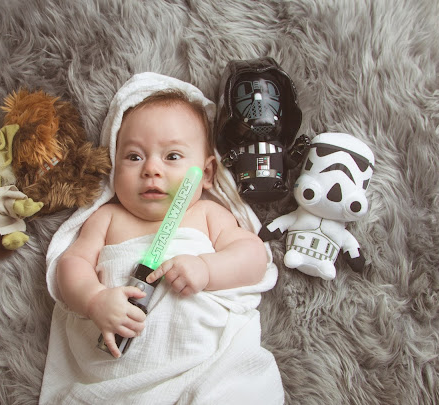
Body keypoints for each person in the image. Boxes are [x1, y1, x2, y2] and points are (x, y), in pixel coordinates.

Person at [40, 73, 284, 404]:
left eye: (172, 157)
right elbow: (72, 264)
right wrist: (94, 299)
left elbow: (254, 257)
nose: (151, 169)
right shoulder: (107, 218)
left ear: (207, 173)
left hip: (205, 366)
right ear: (114, 167)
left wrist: (207, 268)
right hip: (124, 370)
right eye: (134, 156)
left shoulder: (207, 215)